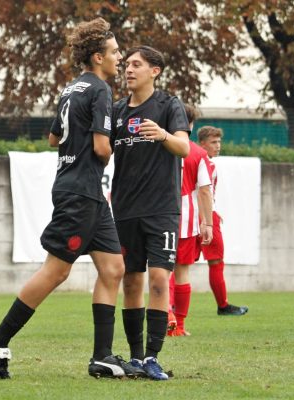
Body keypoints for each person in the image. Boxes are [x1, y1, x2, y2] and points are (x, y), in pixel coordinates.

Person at [0, 18, 135, 380]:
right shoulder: (100, 90)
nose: (119, 57)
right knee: (57, 270)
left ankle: (103, 358)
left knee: (113, 269)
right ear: (98, 57)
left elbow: (53, 139)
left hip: (85, 191)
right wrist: (116, 146)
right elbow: (100, 148)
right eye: (114, 52)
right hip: (80, 191)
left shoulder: (70, 89)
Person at [110, 45, 190, 380]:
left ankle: (153, 357)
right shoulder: (115, 111)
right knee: (130, 283)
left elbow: (184, 146)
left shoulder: (169, 105)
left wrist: (162, 135)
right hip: (125, 210)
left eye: (136, 65)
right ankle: (136, 357)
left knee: (159, 280)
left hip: (161, 211)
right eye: (126, 64)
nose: (128, 69)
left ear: (154, 71)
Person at [167, 105, 214, 337]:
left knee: (160, 271)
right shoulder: (198, 153)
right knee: (182, 272)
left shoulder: (159, 147)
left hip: (158, 216)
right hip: (185, 220)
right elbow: (205, 190)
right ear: (191, 125)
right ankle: (180, 326)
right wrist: (208, 224)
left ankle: (167, 318)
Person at [196, 126, 248, 316]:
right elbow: (203, 192)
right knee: (216, 261)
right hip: (204, 219)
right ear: (203, 143)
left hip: (189, 216)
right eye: (213, 142)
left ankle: (171, 308)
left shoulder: (189, 158)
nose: (218, 146)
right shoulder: (206, 163)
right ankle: (223, 305)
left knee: (178, 264)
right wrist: (208, 217)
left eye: (219, 142)